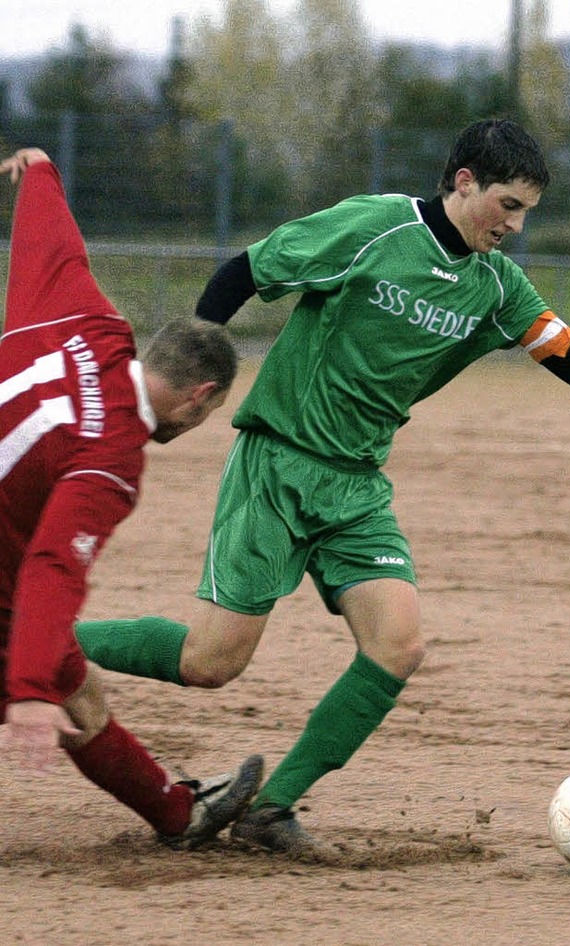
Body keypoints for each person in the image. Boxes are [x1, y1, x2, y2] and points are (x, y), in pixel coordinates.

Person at [75, 118, 570, 858]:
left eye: (527, 210)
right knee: (210, 664)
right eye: (508, 204)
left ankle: (269, 811)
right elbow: (246, 270)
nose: (516, 224)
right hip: (279, 462)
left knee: (397, 645)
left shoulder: (500, 288)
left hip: (356, 487)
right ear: (463, 181)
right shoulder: (374, 227)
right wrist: (193, 369)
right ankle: (34, 642)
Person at [0, 148, 263, 850]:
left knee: (78, 686)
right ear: (199, 397)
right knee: (62, 691)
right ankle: (179, 815)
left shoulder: (88, 325)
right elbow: (53, 565)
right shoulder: (111, 455)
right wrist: (26, 687)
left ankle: (177, 814)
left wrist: (44, 175)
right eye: (205, 416)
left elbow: (53, 252)